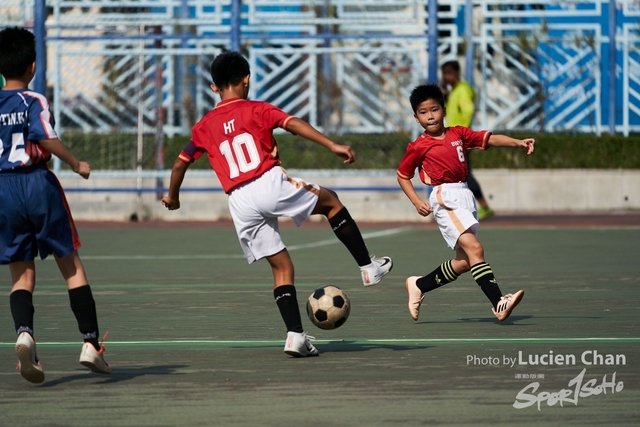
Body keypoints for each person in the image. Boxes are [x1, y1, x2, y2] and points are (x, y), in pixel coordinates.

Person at [161, 51, 393, 357]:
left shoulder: (203, 126)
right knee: (332, 203)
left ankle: (295, 335)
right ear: (246, 80)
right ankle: (367, 267)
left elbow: (179, 165)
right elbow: (292, 123)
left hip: (239, 201)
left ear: (214, 88)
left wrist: (173, 197)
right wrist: (331, 144)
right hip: (267, 183)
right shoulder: (257, 109)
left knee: (282, 267)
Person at [0, 27, 110, 383]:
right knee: (70, 264)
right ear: (32, 66)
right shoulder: (34, 100)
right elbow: (45, 137)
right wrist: (76, 163)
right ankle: (91, 343)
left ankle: (24, 334)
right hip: (37, 184)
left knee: (21, 273)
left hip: (3, 189)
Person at [397, 84, 534, 322]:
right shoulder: (418, 145)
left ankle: (419, 285)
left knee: (464, 262)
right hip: (444, 197)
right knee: (476, 249)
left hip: (464, 195)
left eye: (434, 109)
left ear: (444, 110)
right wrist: (416, 201)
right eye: (423, 112)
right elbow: (402, 174)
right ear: (416, 117)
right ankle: (499, 302)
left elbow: (488, 138)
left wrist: (518, 142)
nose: (430, 115)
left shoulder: (458, 133)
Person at [441, 60, 494, 220]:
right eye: (444, 73)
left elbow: (468, 109)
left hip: (458, 140)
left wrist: (461, 134)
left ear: (457, 73)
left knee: (465, 175)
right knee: (460, 175)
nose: (446, 76)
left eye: (449, 72)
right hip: (454, 140)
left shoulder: (462, 89)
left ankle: (484, 206)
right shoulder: (454, 91)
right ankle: (479, 206)